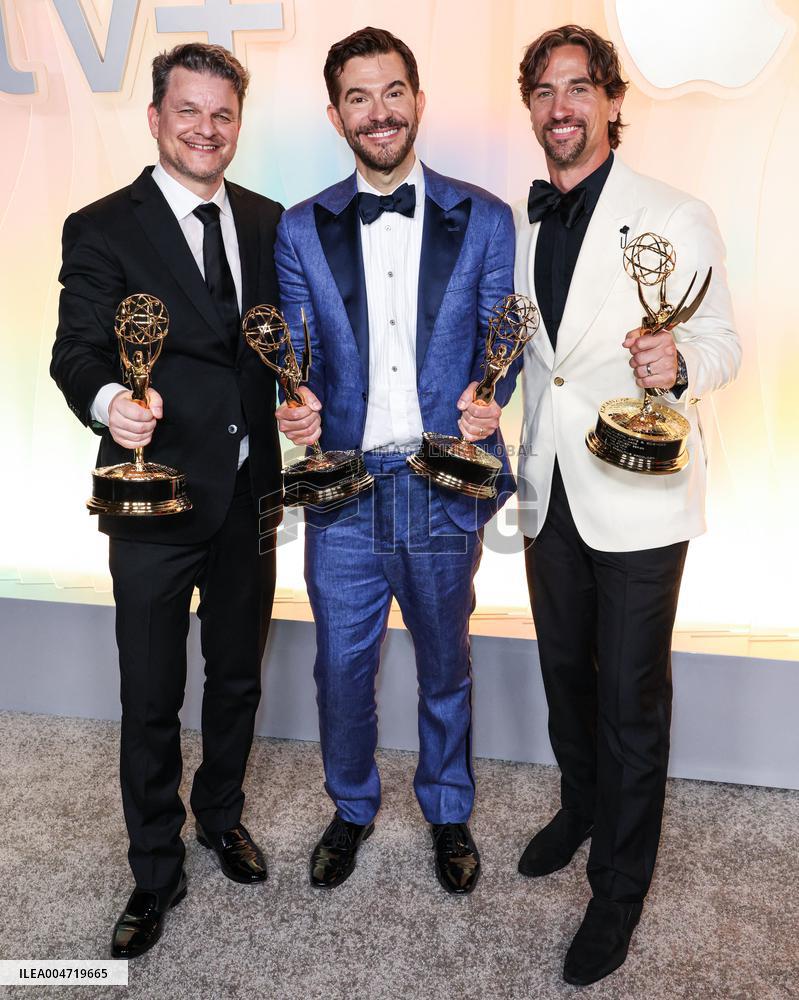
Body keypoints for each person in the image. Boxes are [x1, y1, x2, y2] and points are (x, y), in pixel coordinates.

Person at [513, 24, 740, 986]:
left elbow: (723, 342)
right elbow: (540, 363)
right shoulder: (522, 225)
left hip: (640, 492)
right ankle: (581, 804)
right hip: (547, 491)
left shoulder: (675, 213)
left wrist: (678, 363)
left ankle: (618, 889)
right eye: (543, 91)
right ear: (530, 108)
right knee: (565, 673)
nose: (560, 107)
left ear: (611, 100)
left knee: (630, 698)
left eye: (578, 87)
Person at [50, 43, 283, 959]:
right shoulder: (101, 226)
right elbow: (75, 352)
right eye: (188, 110)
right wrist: (112, 402)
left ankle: (220, 816)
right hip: (152, 497)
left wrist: (299, 401)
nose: (205, 129)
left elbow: (275, 345)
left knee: (237, 677)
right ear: (155, 117)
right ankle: (155, 869)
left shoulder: (266, 221)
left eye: (222, 114)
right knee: (150, 693)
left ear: (238, 123)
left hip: (250, 491)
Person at [275, 26, 517, 895]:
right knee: (340, 670)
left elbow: (499, 338)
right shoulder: (300, 227)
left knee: (446, 662)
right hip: (342, 488)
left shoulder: (484, 217)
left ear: (417, 99)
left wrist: (492, 396)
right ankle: (351, 807)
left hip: (439, 480)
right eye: (357, 97)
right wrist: (293, 402)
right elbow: (293, 352)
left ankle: (448, 808)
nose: (377, 113)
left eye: (391, 92)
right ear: (335, 113)